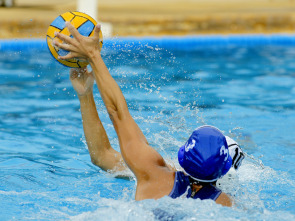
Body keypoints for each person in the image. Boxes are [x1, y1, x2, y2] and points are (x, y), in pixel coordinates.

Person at [54, 22, 245, 207]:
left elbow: (116, 117)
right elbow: (102, 157)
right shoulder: (229, 205)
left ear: (184, 156)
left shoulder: (152, 172)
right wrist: (85, 93)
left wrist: (93, 57)